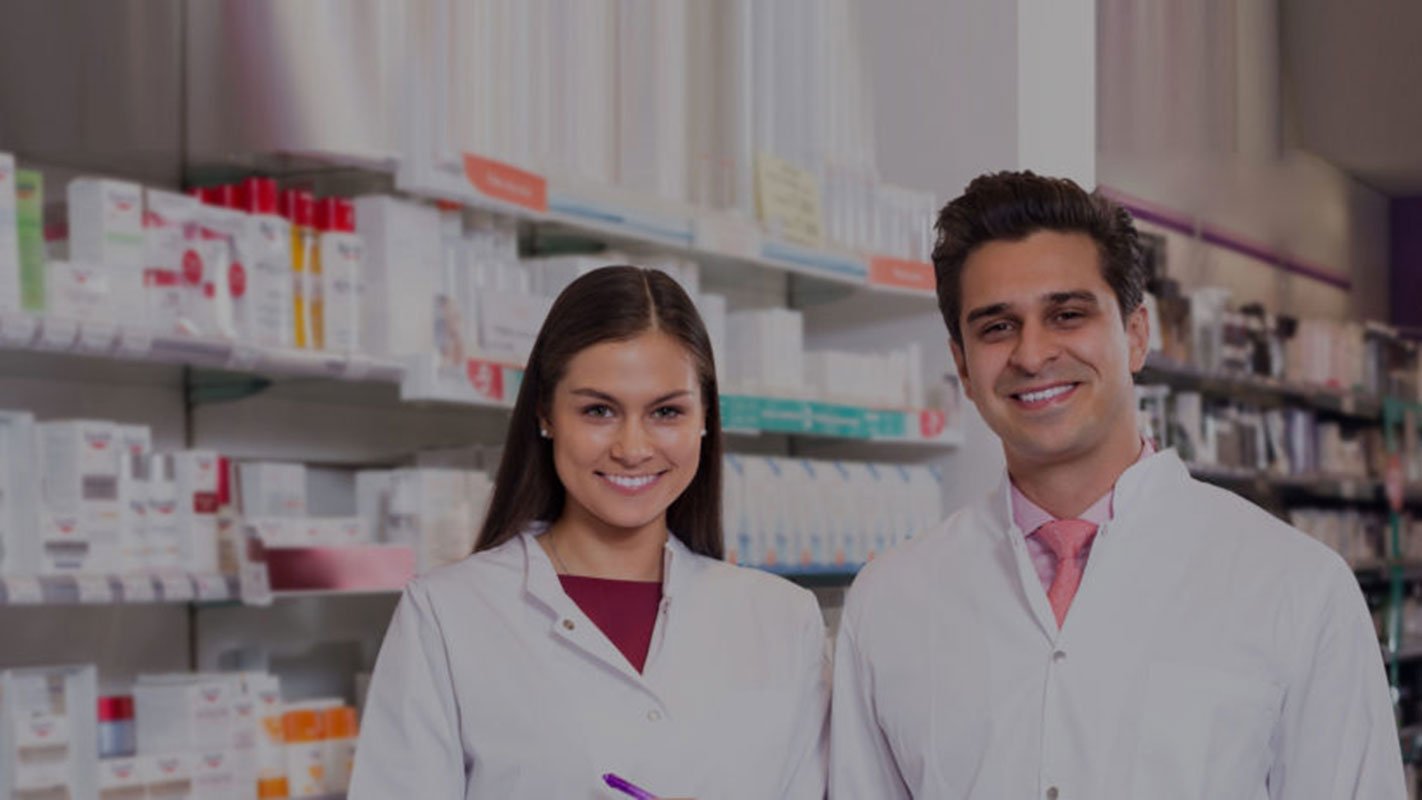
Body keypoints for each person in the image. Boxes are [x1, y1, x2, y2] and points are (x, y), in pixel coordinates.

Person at [829, 171, 1406, 799]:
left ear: (1135, 334)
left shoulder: (1296, 588)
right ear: (963, 366)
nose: (1031, 354)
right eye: (997, 327)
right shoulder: (890, 603)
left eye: (1067, 314)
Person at [351, 266, 828, 799]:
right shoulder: (447, 615)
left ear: (705, 419)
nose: (632, 447)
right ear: (546, 414)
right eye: (599, 410)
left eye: (666, 411)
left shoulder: (785, 622)